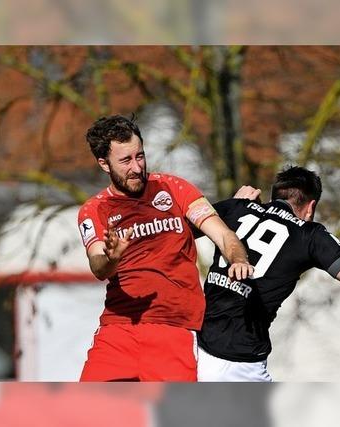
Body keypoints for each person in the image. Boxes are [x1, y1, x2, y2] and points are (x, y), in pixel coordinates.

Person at [77, 114, 253, 381]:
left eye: (140, 156)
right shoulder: (94, 209)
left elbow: (222, 234)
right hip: (119, 328)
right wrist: (112, 257)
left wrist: (237, 258)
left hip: (174, 328)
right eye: (125, 161)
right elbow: (98, 265)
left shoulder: (174, 188)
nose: (137, 167)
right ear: (104, 163)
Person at [196, 165, 340, 381]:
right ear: (311, 207)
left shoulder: (235, 208)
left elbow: (176, 232)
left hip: (194, 347)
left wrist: (230, 207)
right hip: (238, 363)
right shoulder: (310, 235)